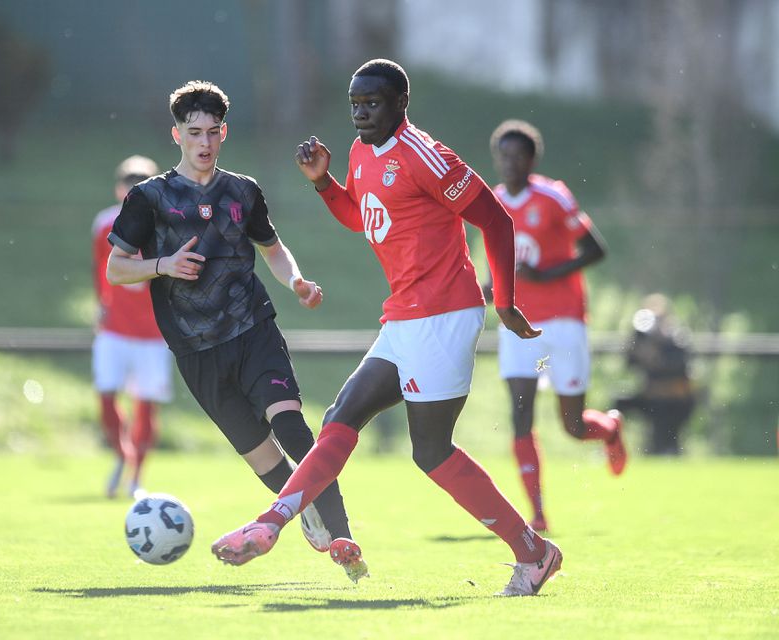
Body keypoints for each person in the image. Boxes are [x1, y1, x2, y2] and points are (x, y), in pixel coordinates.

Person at [212, 59, 562, 596]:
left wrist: (507, 301)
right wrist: (324, 182)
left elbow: (495, 218)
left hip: (444, 314)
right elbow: (363, 216)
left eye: (371, 104)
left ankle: (533, 552)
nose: (360, 114)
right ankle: (270, 523)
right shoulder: (360, 152)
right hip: (403, 313)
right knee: (340, 416)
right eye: (354, 104)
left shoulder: (425, 154)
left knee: (431, 451)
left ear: (401, 103)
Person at [105, 80, 358, 575]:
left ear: (225, 132)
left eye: (213, 131)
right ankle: (303, 507)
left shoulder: (242, 191)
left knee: (293, 428)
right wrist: (163, 266)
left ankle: (345, 540)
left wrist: (297, 282)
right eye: (194, 131)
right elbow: (117, 268)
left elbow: (272, 250)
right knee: (265, 460)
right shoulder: (149, 198)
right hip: (196, 350)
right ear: (175, 134)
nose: (205, 142)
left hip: (253, 330)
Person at [485, 119, 627, 533]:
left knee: (573, 425)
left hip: (563, 320)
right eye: (503, 155)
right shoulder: (492, 202)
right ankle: (538, 512)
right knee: (520, 416)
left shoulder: (553, 196)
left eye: (518, 156)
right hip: (517, 322)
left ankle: (610, 429)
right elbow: (498, 262)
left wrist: (545, 274)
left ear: (532, 159)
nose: (510, 163)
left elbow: (595, 249)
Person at [92, 156, 174, 498]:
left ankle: (137, 474)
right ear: (119, 188)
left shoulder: (164, 226)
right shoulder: (105, 225)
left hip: (153, 332)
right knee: (107, 398)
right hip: (115, 329)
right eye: (129, 184)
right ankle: (121, 455)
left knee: (146, 404)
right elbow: (100, 269)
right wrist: (101, 304)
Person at [614, 293, 695, 455]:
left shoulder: (676, 337)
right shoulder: (643, 338)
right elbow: (629, 363)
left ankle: (668, 450)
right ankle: (612, 446)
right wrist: (637, 349)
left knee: (664, 433)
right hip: (651, 397)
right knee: (619, 404)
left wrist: (658, 357)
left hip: (674, 401)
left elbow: (680, 366)